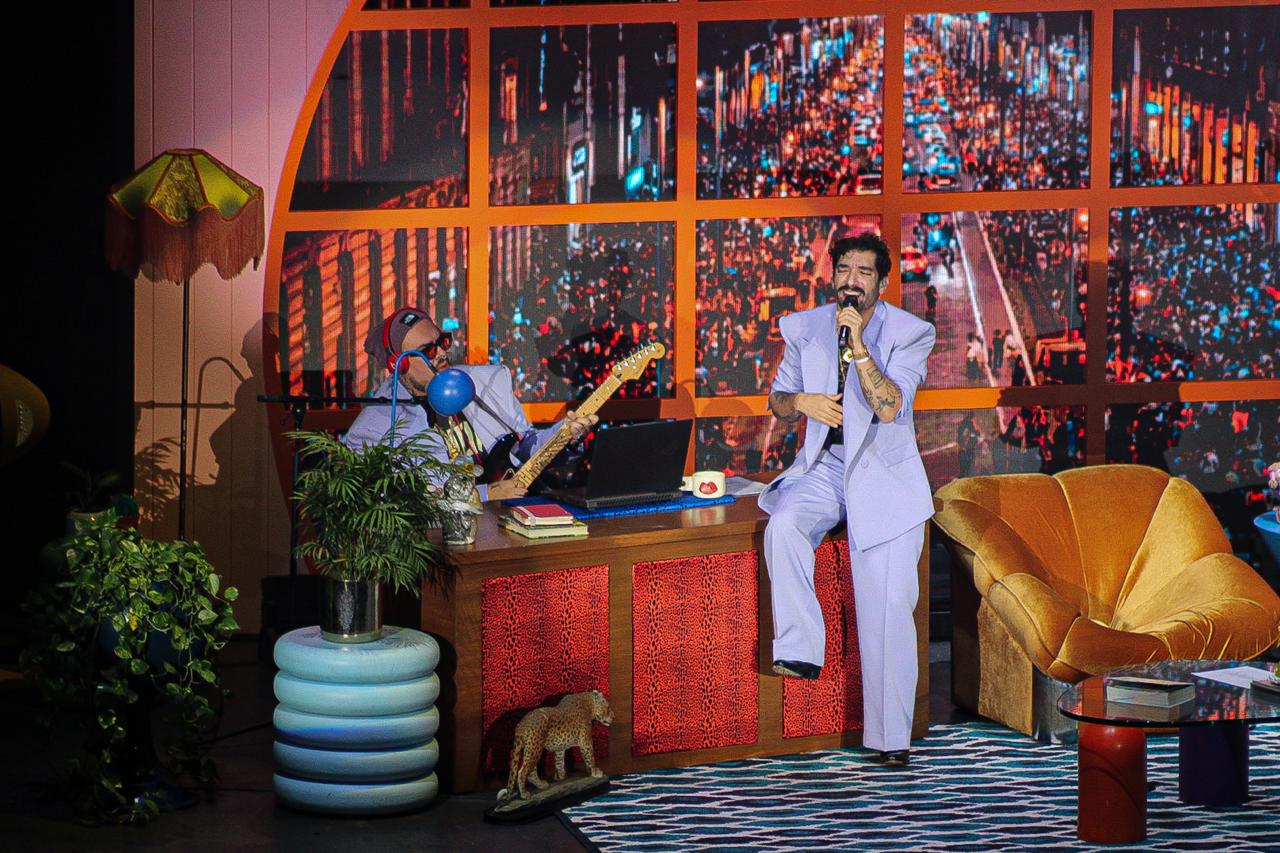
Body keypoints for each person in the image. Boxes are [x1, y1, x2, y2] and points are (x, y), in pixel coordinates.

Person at [760, 232, 936, 768]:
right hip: (828, 467)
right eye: (843, 270)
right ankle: (799, 650)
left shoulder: (910, 333)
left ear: (881, 283)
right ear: (832, 275)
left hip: (884, 476)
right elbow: (777, 400)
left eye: (863, 272)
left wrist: (858, 346)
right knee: (784, 524)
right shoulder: (804, 327)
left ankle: (890, 741)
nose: (851, 280)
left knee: (887, 611)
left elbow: (890, 407)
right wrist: (802, 401)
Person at [343, 306, 597, 502]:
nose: (442, 353)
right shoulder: (373, 431)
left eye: (442, 342)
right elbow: (407, 509)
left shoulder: (486, 382)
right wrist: (487, 494)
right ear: (399, 364)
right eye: (428, 350)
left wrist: (564, 434)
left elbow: (526, 445)